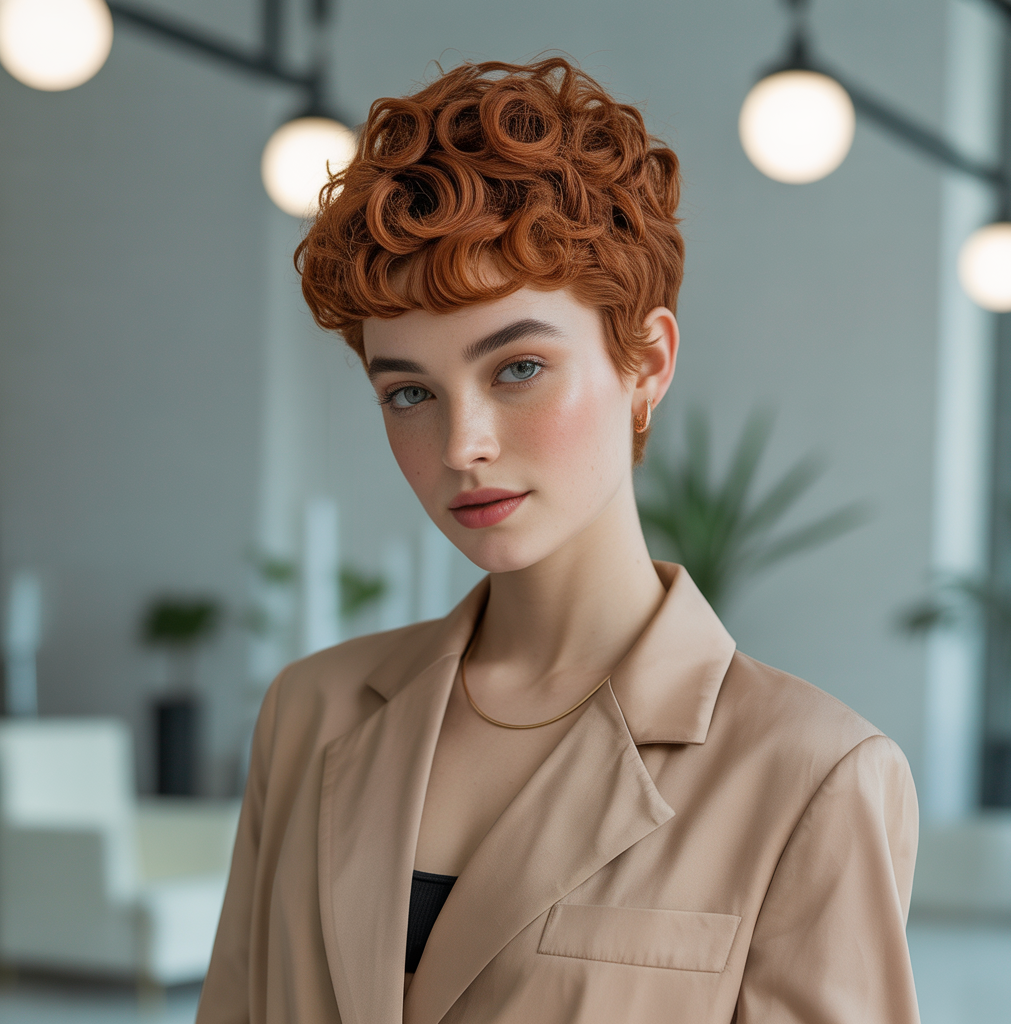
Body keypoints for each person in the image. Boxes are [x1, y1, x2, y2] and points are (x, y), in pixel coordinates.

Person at [196, 57, 920, 1024]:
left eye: (520, 367)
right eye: (408, 392)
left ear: (646, 362)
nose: (463, 446)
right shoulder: (309, 716)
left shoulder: (812, 775)